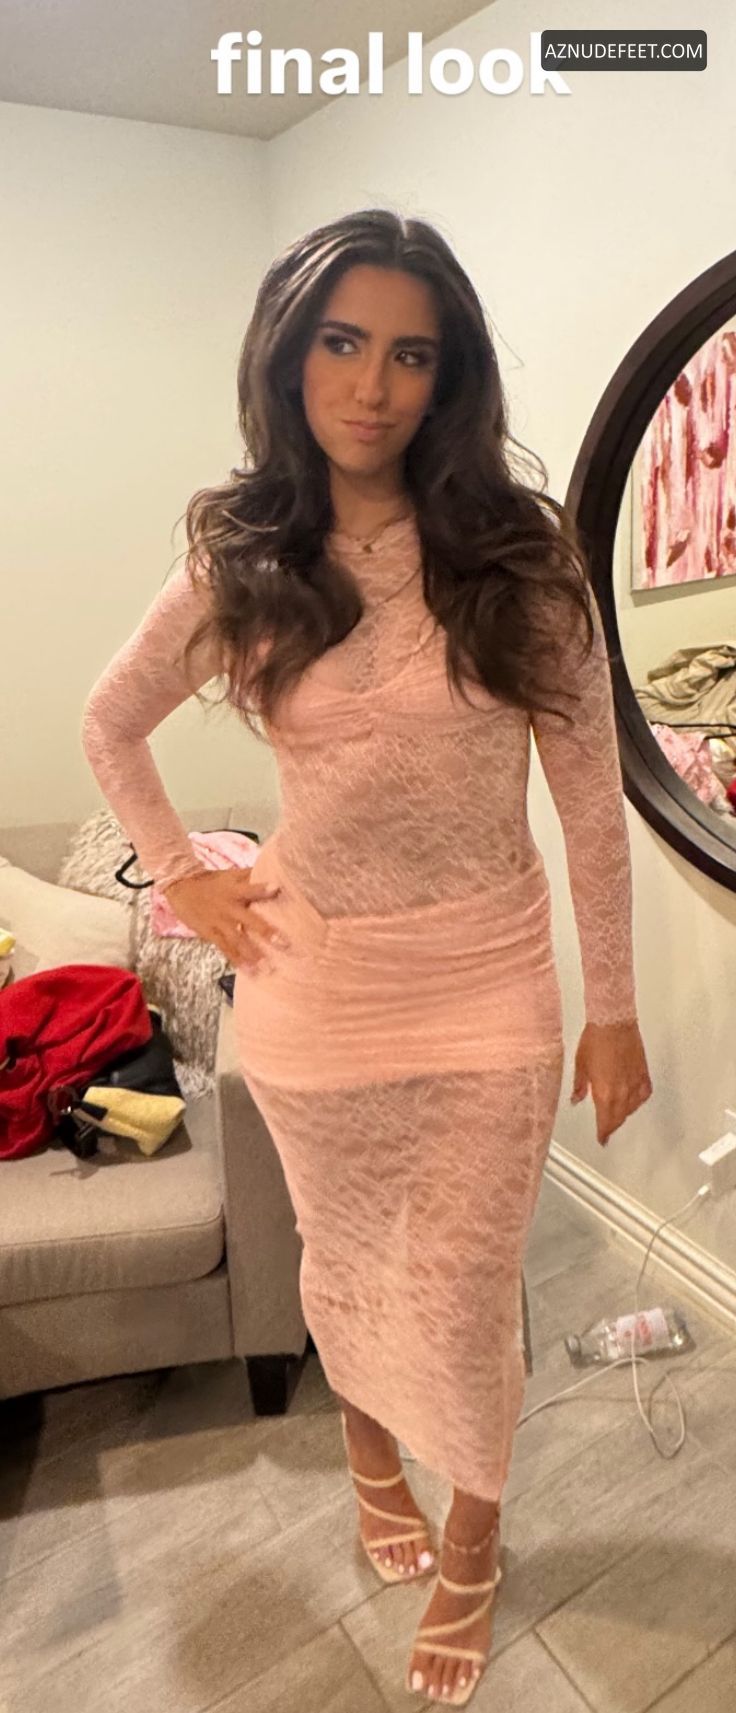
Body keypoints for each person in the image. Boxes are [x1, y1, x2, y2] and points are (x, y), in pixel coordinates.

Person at [81, 207, 652, 1708]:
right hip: (315, 984)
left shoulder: (519, 557)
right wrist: (187, 883)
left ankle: (474, 1533)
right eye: (343, 342)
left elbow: (590, 801)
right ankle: (370, 1460)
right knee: (344, 1261)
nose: (373, 384)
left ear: (450, 374)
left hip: (488, 981)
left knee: (462, 1285)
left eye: (412, 353)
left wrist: (614, 1007)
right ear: (290, 355)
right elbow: (110, 724)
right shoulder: (242, 556)